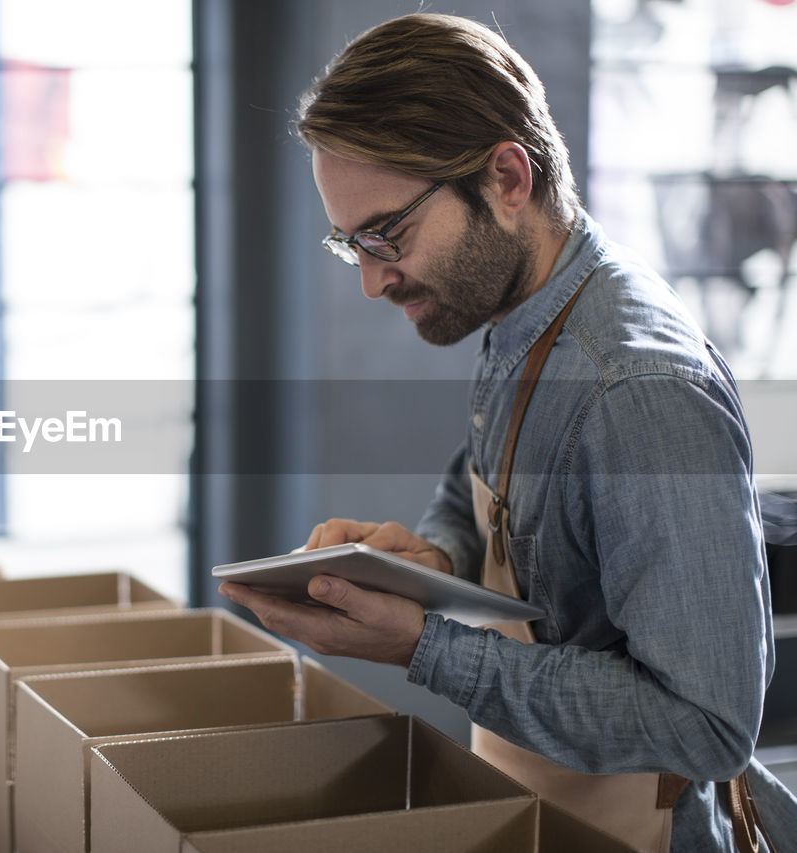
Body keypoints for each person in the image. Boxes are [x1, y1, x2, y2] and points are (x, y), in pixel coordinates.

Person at [217, 14, 793, 851]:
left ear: (507, 178)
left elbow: (707, 724)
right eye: (352, 246)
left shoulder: (637, 391)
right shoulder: (528, 310)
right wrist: (436, 557)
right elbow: (484, 472)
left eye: (389, 235)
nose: (374, 280)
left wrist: (426, 646)